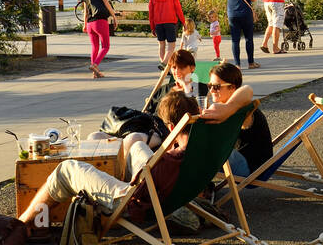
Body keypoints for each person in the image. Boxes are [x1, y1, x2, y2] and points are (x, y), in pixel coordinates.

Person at [18, 91, 201, 231]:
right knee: (137, 147)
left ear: (170, 127)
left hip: (134, 200)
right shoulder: (198, 152)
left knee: (66, 168)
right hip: (164, 192)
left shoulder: (171, 159)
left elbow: (146, 187)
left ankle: (21, 225)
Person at [199, 61, 271, 180]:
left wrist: (228, 107)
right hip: (243, 160)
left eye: (216, 87)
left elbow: (248, 89)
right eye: (209, 86)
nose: (211, 90)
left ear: (232, 87)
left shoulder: (243, 110)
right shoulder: (224, 108)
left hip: (253, 168)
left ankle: (200, 190)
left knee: (196, 151)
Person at [223, 0, 260, 69]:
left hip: (232, 14)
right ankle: (251, 63)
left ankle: (237, 64)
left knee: (235, 40)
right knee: (249, 38)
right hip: (245, 14)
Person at [83, 0, 117, 79]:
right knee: (106, 46)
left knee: (95, 47)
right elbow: (107, 5)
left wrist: (84, 24)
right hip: (100, 22)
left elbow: (85, 12)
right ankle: (95, 65)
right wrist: (114, 17)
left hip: (90, 24)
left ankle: (95, 73)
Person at [148, 0, 185, 70]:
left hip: (158, 23)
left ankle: (164, 67)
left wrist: (152, 27)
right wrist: (184, 22)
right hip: (170, 22)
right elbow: (178, 9)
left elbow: (151, 14)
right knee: (171, 46)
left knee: (161, 45)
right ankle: (164, 63)